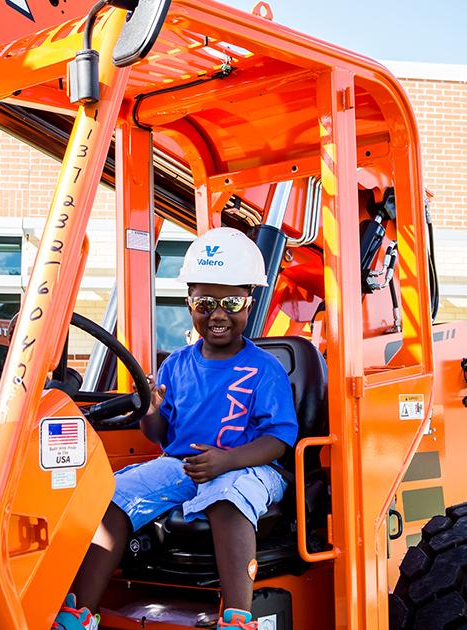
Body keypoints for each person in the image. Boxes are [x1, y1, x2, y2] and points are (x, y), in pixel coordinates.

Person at [54, 227, 299, 630]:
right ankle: (80, 612)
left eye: (230, 302)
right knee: (111, 494)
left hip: (251, 466)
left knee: (228, 495)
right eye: (204, 302)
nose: (217, 314)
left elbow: (277, 441)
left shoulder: (265, 369)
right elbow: (162, 435)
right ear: (189, 304)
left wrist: (227, 461)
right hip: (184, 464)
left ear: (248, 304)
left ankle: (238, 618)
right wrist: (150, 411)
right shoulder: (176, 365)